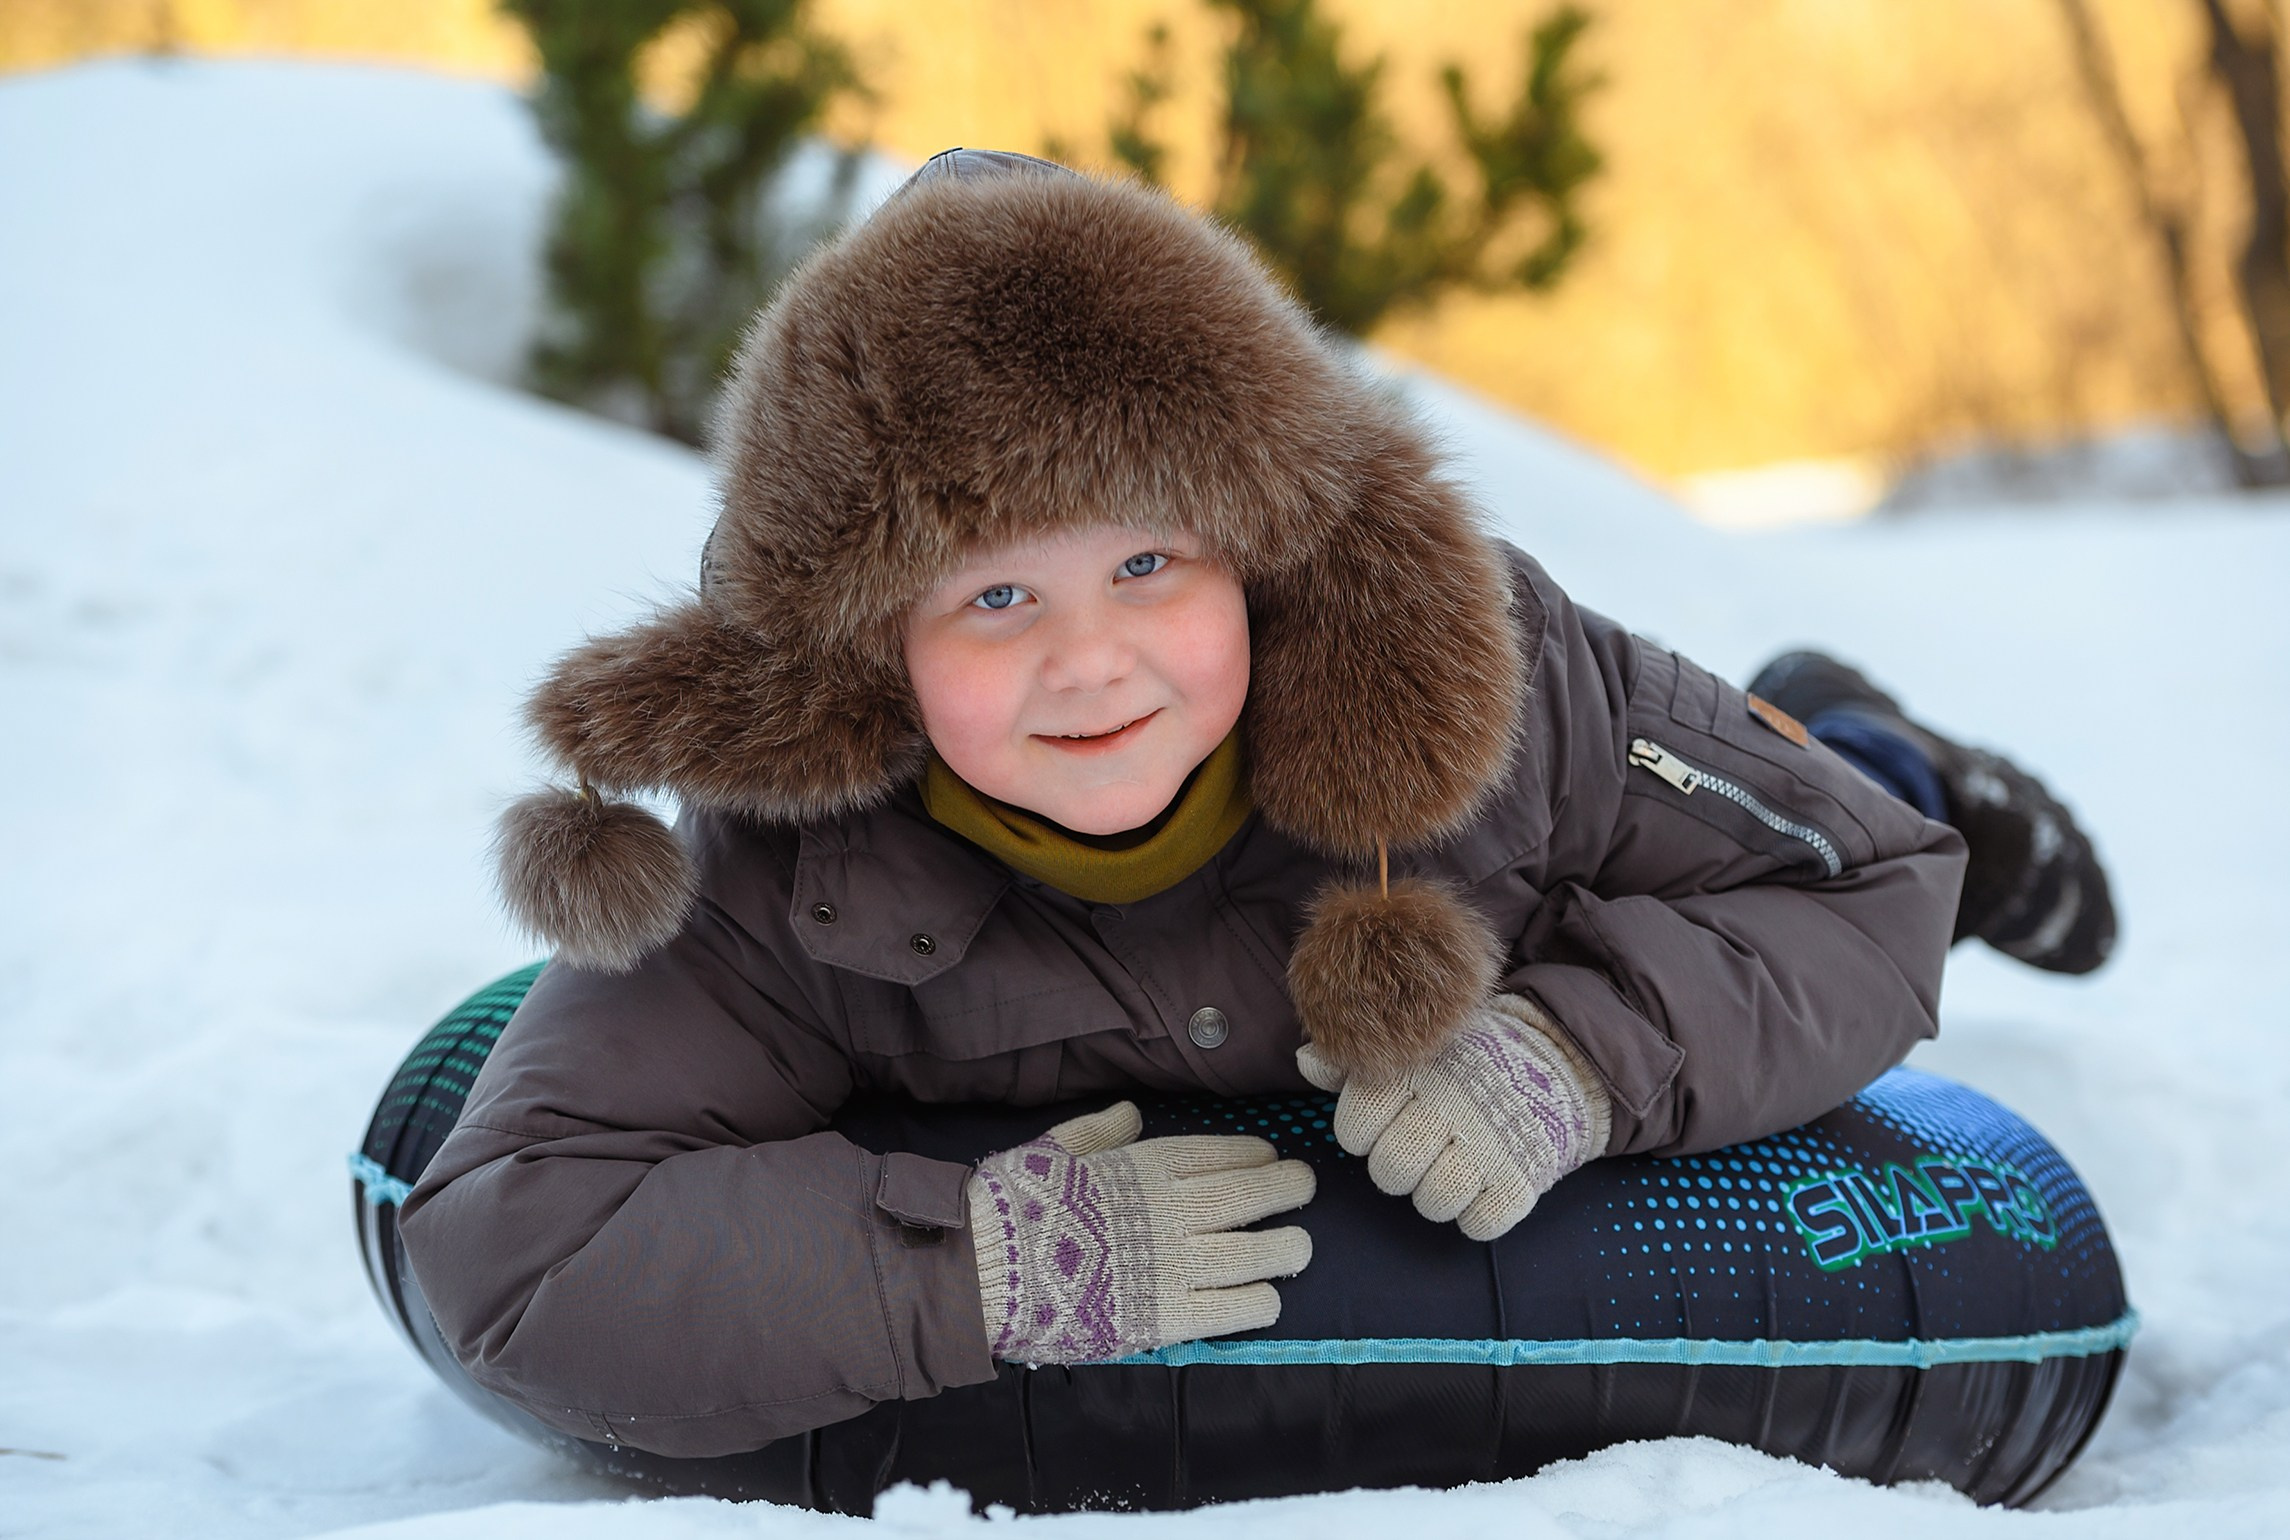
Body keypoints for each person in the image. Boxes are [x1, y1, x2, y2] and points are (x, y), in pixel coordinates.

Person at [398, 150, 2114, 1459]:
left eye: (1148, 564)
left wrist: (1580, 1055)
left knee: (1831, 786)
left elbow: (1861, 887)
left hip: (1682, 837)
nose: (1089, 662)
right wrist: (967, 1266)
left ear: (1261, 552)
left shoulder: (1483, 677)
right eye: (994, 597)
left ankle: (1864, 724)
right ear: (867, 653)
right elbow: (519, 1249)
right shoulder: (793, 868)